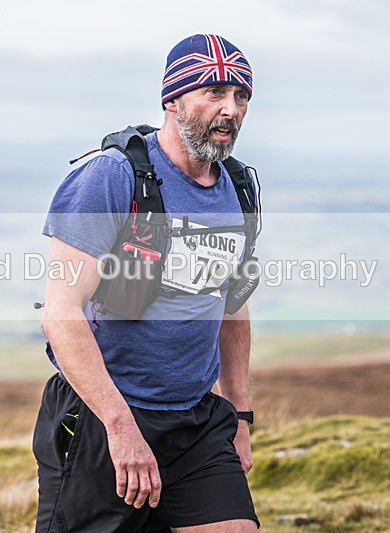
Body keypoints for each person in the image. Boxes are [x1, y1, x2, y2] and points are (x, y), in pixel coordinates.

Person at [35, 34, 259, 532]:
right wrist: (120, 428)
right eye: (213, 92)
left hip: (196, 420)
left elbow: (232, 309)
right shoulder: (111, 178)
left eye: (241, 96)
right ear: (172, 100)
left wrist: (239, 417)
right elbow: (61, 313)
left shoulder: (237, 190)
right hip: (103, 417)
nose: (231, 109)